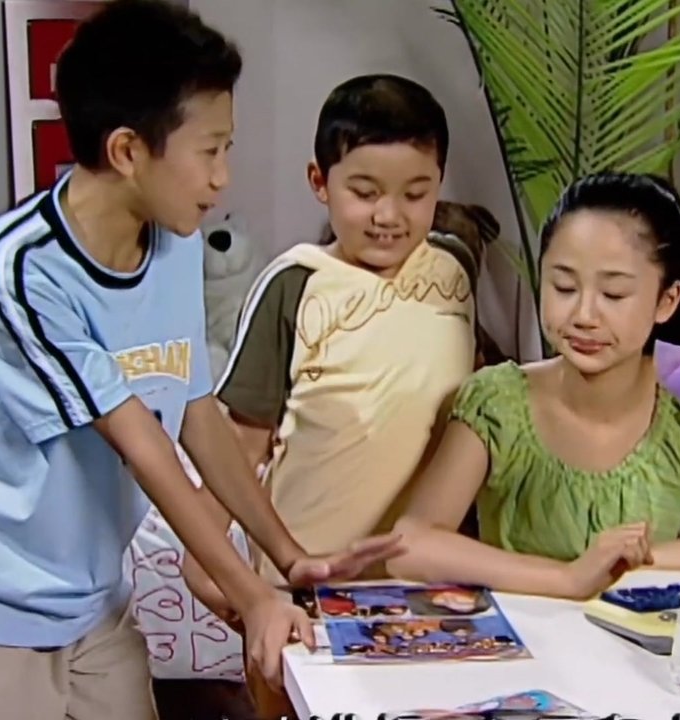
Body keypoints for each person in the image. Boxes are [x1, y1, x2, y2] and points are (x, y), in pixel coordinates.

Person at [0, 3, 396, 719]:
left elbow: (193, 410)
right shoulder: (22, 272)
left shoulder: (174, 240)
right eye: (209, 151)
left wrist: (288, 554)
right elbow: (141, 442)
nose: (223, 177)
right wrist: (249, 595)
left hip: (87, 596)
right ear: (127, 151)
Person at [386, 171, 680, 600]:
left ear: (667, 301)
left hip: (648, 644)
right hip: (525, 646)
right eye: (564, 287)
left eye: (614, 294)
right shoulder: (497, 402)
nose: (584, 315)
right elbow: (411, 545)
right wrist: (567, 578)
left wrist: (639, 562)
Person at [180, 73, 479, 716]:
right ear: (320, 181)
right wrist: (212, 574)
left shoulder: (454, 270)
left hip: (432, 596)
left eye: (416, 193)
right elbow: (240, 449)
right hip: (307, 596)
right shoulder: (294, 284)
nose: (389, 216)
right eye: (364, 193)